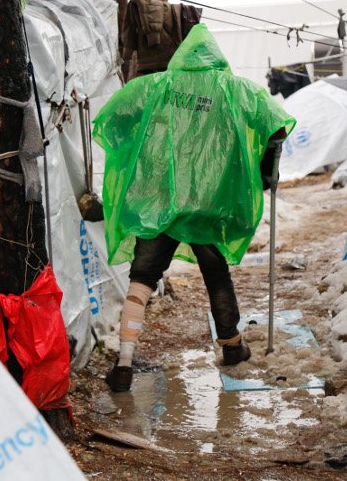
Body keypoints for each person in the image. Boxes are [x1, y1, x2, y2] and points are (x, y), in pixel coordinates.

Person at [93, 24, 295, 392]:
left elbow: (112, 119)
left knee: (141, 281)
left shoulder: (154, 88)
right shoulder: (236, 90)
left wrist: (141, 146)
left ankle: (123, 361)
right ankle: (232, 347)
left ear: (181, 58)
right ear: (216, 58)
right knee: (216, 276)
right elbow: (278, 126)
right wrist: (265, 163)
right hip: (209, 206)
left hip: (160, 207)